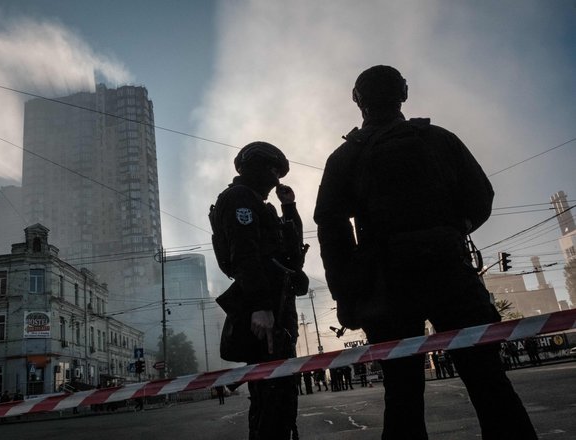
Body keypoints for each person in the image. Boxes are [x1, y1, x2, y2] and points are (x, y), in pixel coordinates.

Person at [314, 65, 537, 439]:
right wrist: (451, 231)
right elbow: (481, 197)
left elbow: (331, 231)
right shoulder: (438, 138)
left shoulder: (344, 157)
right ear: (404, 94)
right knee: (489, 383)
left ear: (358, 101)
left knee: (401, 394)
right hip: (451, 273)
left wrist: (349, 295)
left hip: (387, 286)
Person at [210, 141, 309, 440]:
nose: (276, 179)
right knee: (272, 394)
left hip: (277, 304)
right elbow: (245, 255)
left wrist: (289, 208)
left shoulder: (261, 205)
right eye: (272, 170)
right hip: (267, 308)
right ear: (254, 167)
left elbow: (292, 254)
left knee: (280, 392)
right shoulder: (239, 198)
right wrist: (260, 306)